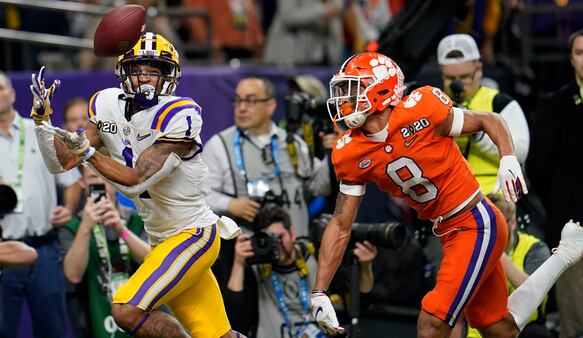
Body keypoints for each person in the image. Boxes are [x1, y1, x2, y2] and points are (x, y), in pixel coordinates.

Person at [309, 51, 583, 338]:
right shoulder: (349, 151)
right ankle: (567, 253)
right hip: (449, 231)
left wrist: (508, 158)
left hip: (476, 222)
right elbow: (340, 224)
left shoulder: (421, 108)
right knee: (500, 329)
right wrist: (319, 290)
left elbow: (489, 120)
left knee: (431, 323)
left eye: (353, 89)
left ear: (381, 89)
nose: (344, 100)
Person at [30, 32, 243, 338]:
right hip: (161, 239)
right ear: (124, 72)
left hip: (193, 235)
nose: (145, 78)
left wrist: (88, 153)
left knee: (126, 309)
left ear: (168, 76)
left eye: (154, 70)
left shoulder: (180, 114)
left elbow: (134, 181)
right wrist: (41, 119)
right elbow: (60, 163)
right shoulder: (106, 104)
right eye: (138, 69)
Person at [527, 27, 583, 338]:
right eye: (580, 52)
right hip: (575, 217)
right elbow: (538, 166)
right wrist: (563, 204)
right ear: (571, 59)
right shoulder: (554, 104)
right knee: (575, 307)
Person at [0, 70, 79, 338]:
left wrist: (67, 208)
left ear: (12, 93)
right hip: (3, 250)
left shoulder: (39, 129)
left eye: (1, 88)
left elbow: (70, 179)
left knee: (53, 328)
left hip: (44, 246)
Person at [203, 75, 331, 238]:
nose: (241, 108)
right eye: (237, 100)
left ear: (270, 106)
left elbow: (321, 186)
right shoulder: (219, 145)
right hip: (250, 251)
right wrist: (230, 204)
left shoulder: (293, 143)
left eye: (251, 101)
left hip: (298, 250)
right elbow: (200, 197)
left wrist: (332, 153)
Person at [222, 204, 376, 337]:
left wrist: (366, 267)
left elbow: (359, 305)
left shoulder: (317, 256)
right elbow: (233, 318)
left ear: (292, 234)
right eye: (270, 238)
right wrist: (239, 263)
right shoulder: (255, 266)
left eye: (280, 237)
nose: (277, 244)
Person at [59, 165, 151, 338]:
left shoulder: (140, 220)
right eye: (94, 178)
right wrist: (86, 226)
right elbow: (72, 275)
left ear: (116, 182)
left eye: (106, 177)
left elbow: (154, 262)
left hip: (139, 312)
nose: (101, 183)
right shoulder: (72, 228)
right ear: (83, 182)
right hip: (93, 314)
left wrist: (120, 229)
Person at [436, 33, 529, 195]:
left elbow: (520, 152)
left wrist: (477, 133)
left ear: (479, 69)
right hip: (449, 199)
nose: (458, 85)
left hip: (496, 196)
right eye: (450, 78)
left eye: (464, 77)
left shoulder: (499, 103)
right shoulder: (433, 105)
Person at [453, 193, 552, 338]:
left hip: (522, 329)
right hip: (479, 332)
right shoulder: (470, 249)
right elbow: (455, 306)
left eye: (495, 225)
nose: (489, 231)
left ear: (512, 223)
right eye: (485, 225)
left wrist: (497, 252)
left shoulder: (535, 248)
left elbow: (535, 292)